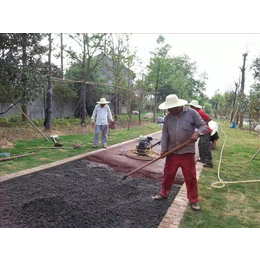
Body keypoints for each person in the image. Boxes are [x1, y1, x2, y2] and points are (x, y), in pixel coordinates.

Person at [153, 94, 208, 211]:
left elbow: (203, 125)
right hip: (172, 152)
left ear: (177, 107)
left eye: (170, 108)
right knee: (168, 174)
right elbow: (165, 134)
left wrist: (197, 133)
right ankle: (164, 193)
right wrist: (163, 149)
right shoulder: (168, 117)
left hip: (187, 152)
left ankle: (194, 200)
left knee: (190, 177)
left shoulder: (192, 113)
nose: (168, 110)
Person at [189, 100, 213, 168]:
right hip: (202, 132)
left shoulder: (200, 112)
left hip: (206, 131)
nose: (190, 107)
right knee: (200, 145)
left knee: (205, 146)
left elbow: (209, 118)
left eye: (191, 106)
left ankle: (209, 162)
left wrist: (204, 125)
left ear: (194, 106)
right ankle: (202, 159)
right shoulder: (196, 112)